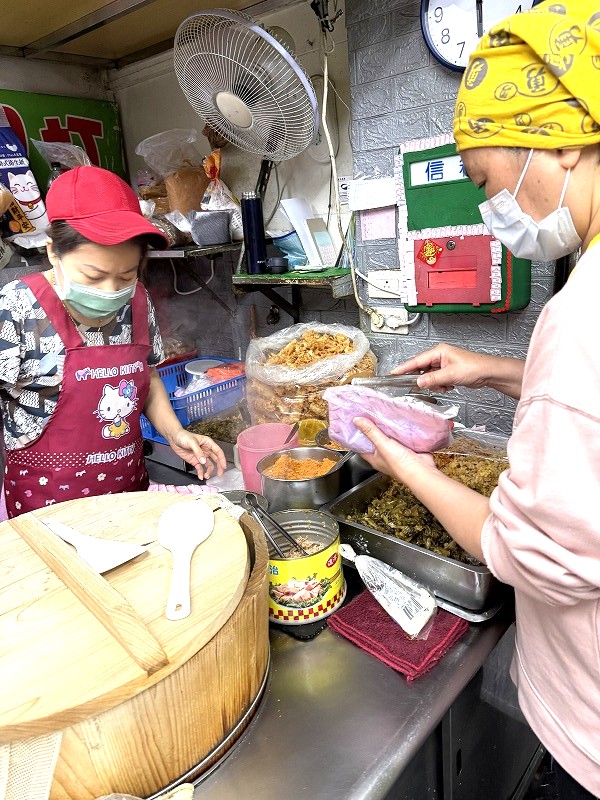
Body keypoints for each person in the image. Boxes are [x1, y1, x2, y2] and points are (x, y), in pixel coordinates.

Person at [354, 4, 600, 799]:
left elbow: (523, 552)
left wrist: (402, 464)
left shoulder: (581, 314)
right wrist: (490, 368)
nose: (494, 212)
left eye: (487, 180)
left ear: (562, 138)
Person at [0, 165, 226, 518]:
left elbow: (146, 376)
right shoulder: (16, 309)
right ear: (53, 253)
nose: (111, 291)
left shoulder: (136, 301)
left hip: (127, 494)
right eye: (94, 275)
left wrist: (175, 432)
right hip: (45, 506)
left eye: (126, 274)